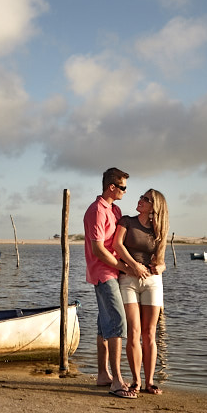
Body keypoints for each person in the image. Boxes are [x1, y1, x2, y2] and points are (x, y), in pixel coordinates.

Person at [83, 167, 135, 399]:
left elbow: (117, 243)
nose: (125, 191)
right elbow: (98, 249)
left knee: (104, 325)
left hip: (114, 271)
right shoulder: (96, 210)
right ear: (111, 187)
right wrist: (124, 267)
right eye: (122, 187)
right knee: (117, 322)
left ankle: (103, 374)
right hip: (103, 272)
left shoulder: (115, 210)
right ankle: (116, 381)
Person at [114, 188, 169, 395]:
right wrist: (134, 265)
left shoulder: (158, 230)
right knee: (134, 332)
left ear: (155, 206)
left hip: (152, 282)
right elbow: (117, 245)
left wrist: (161, 267)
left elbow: (161, 261)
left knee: (149, 333)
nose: (141, 200)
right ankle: (136, 381)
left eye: (146, 199)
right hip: (128, 279)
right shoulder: (127, 221)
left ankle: (150, 381)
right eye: (141, 197)